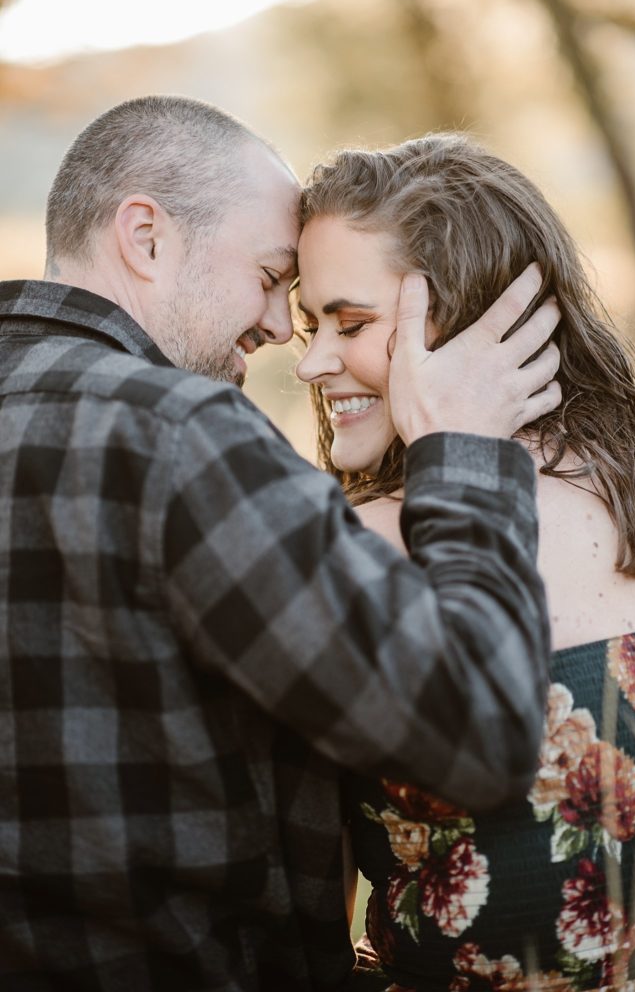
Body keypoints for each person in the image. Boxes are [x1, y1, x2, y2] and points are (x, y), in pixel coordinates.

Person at [0, 96, 562, 990]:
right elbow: (481, 734)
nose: (274, 326)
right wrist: (464, 457)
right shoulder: (179, 438)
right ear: (145, 237)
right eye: (269, 275)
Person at [294, 133, 635, 992]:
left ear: (470, 322)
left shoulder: (362, 544)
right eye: (306, 321)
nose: (312, 360)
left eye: (350, 323)